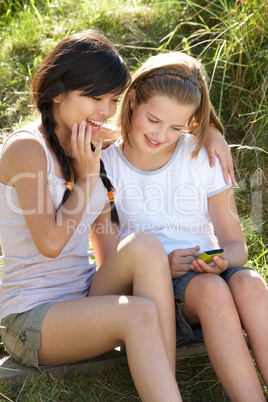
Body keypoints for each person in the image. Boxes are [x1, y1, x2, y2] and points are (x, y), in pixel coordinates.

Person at [0, 30, 185, 401]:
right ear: (57, 92)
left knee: (145, 247)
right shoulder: (26, 149)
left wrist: (211, 135)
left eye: (113, 99)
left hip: (83, 295)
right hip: (32, 316)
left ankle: (166, 388)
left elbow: (165, 132)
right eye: (94, 97)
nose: (104, 110)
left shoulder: (92, 141)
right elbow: (51, 243)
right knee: (137, 314)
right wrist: (85, 178)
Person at [92, 51, 268, 401]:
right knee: (212, 290)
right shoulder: (103, 164)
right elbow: (107, 270)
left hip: (209, 277)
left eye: (176, 127)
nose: (162, 135)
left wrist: (221, 261)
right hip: (158, 295)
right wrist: (162, 266)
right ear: (131, 104)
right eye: (153, 120)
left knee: (250, 281)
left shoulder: (204, 156)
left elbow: (236, 246)